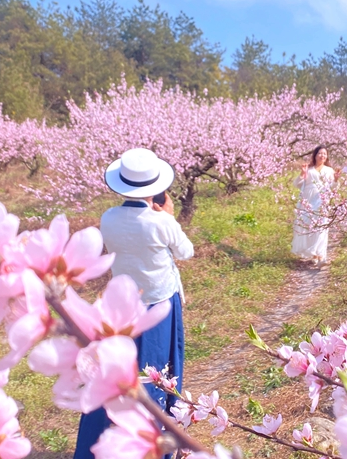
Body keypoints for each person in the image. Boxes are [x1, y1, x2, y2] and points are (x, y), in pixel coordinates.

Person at [74, 148, 193, 459]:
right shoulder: (160, 222)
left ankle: (100, 441)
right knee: (154, 373)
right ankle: (150, 443)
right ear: (156, 188)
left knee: (113, 376)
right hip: (158, 305)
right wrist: (167, 217)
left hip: (121, 306)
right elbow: (186, 251)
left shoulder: (108, 217)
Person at [292, 145, 338, 264]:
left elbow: (333, 187)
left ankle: (320, 254)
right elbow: (297, 184)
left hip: (322, 200)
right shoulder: (309, 169)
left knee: (321, 225)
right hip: (308, 199)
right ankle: (312, 253)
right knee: (309, 225)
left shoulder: (329, 170)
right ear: (315, 155)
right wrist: (302, 173)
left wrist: (336, 180)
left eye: (324, 154)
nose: (322, 156)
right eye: (320, 153)